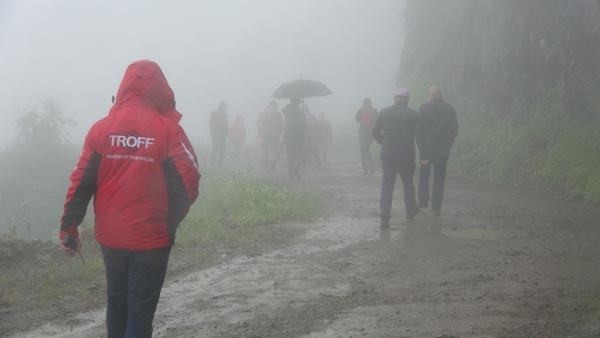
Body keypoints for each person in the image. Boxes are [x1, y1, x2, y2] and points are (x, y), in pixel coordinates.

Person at [59, 60, 201, 338]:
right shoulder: (168, 130)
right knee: (140, 314)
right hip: (152, 238)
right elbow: (190, 179)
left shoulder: (101, 130)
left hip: (112, 238)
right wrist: (169, 221)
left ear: (123, 89)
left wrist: (69, 227)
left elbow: (81, 182)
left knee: (117, 304)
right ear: (161, 90)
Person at [372, 88, 419, 227]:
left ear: (395, 99)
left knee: (387, 185)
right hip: (406, 154)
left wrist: (383, 141)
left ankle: (385, 217)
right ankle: (410, 211)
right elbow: (420, 135)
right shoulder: (413, 114)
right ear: (407, 99)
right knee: (408, 184)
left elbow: (375, 133)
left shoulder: (384, 112)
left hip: (388, 155)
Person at [417, 86, 459, 216]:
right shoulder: (450, 109)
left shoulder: (424, 108)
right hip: (442, 150)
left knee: (424, 175)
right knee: (439, 178)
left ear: (430, 95)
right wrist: (449, 143)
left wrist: (421, 147)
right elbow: (455, 129)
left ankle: (423, 204)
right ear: (441, 95)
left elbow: (418, 131)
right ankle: (436, 207)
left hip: (426, 150)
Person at [282, 97, 306, 179]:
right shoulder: (299, 112)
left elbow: (284, 110)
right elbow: (304, 124)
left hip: (288, 135)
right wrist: (303, 110)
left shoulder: (287, 111)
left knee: (290, 156)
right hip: (298, 136)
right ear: (296, 103)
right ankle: (294, 170)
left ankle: (291, 173)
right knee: (301, 155)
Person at [257, 101, 283, 170]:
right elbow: (281, 125)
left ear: (269, 105)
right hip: (275, 135)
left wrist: (259, 133)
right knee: (274, 150)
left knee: (264, 149)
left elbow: (260, 123)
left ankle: (265, 163)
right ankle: (272, 164)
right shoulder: (278, 113)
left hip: (266, 134)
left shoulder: (264, 112)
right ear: (275, 105)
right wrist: (279, 134)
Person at [356, 98, 378, 175]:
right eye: (364, 103)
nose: (365, 105)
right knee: (363, 150)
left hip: (369, 132)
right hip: (363, 132)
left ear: (369, 104)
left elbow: (377, 121)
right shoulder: (361, 110)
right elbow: (357, 119)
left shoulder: (373, 111)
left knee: (364, 149)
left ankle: (369, 166)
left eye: (366, 103)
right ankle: (366, 168)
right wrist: (361, 114)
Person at [209, 101, 229, 168]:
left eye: (225, 107)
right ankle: (214, 163)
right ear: (221, 106)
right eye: (224, 106)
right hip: (217, 135)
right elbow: (211, 124)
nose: (225, 108)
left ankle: (218, 164)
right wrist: (213, 133)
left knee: (220, 150)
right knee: (216, 149)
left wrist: (228, 135)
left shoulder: (224, 115)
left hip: (221, 135)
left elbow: (226, 126)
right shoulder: (216, 113)